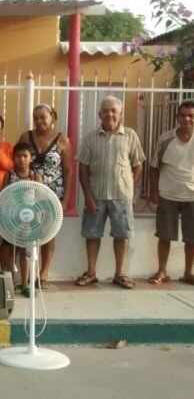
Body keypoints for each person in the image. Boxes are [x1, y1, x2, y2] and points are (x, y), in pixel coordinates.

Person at [75, 96, 145, 289]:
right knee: (92, 235)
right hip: (95, 196)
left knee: (121, 235)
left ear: (120, 113)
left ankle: (119, 273)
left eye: (113, 110)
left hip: (121, 196)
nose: (110, 114)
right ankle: (91, 272)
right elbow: (83, 168)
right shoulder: (90, 137)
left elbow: (138, 164)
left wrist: (128, 184)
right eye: (105, 111)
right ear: (99, 114)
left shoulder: (131, 136)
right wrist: (87, 196)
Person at [17, 103, 73, 289]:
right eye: (36, 118)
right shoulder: (27, 136)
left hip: (52, 193)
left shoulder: (62, 140)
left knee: (48, 232)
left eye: (43, 117)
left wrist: (65, 200)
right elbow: (19, 160)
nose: (40, 121)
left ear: (52, 118)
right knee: (27, 230)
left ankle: (44, 273)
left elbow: (68, 170)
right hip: (29, 193)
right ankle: (25, 277)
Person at [148, 100, 194, 286]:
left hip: (192, 196)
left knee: (192, 239)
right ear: (177, 117)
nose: (187, 119)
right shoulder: (166, 139)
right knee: (165, 236)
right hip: (168, 194)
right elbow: (153, 166)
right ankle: (161, 271)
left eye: (191, 115)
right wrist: (154, 192)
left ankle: (188, 273)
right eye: (183, 115)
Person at [0, 142, 42, 297]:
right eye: (18, 156)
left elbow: (40, 197)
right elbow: (3, 196)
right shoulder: (9, 175)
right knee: (7, 249)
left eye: (25, 156)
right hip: (10, 218)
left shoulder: (35, 176)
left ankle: (25, 284)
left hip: (28, 219)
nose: (21, 159)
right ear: (13, 157)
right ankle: (8, 282)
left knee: (25, 250)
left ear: (31, 158)